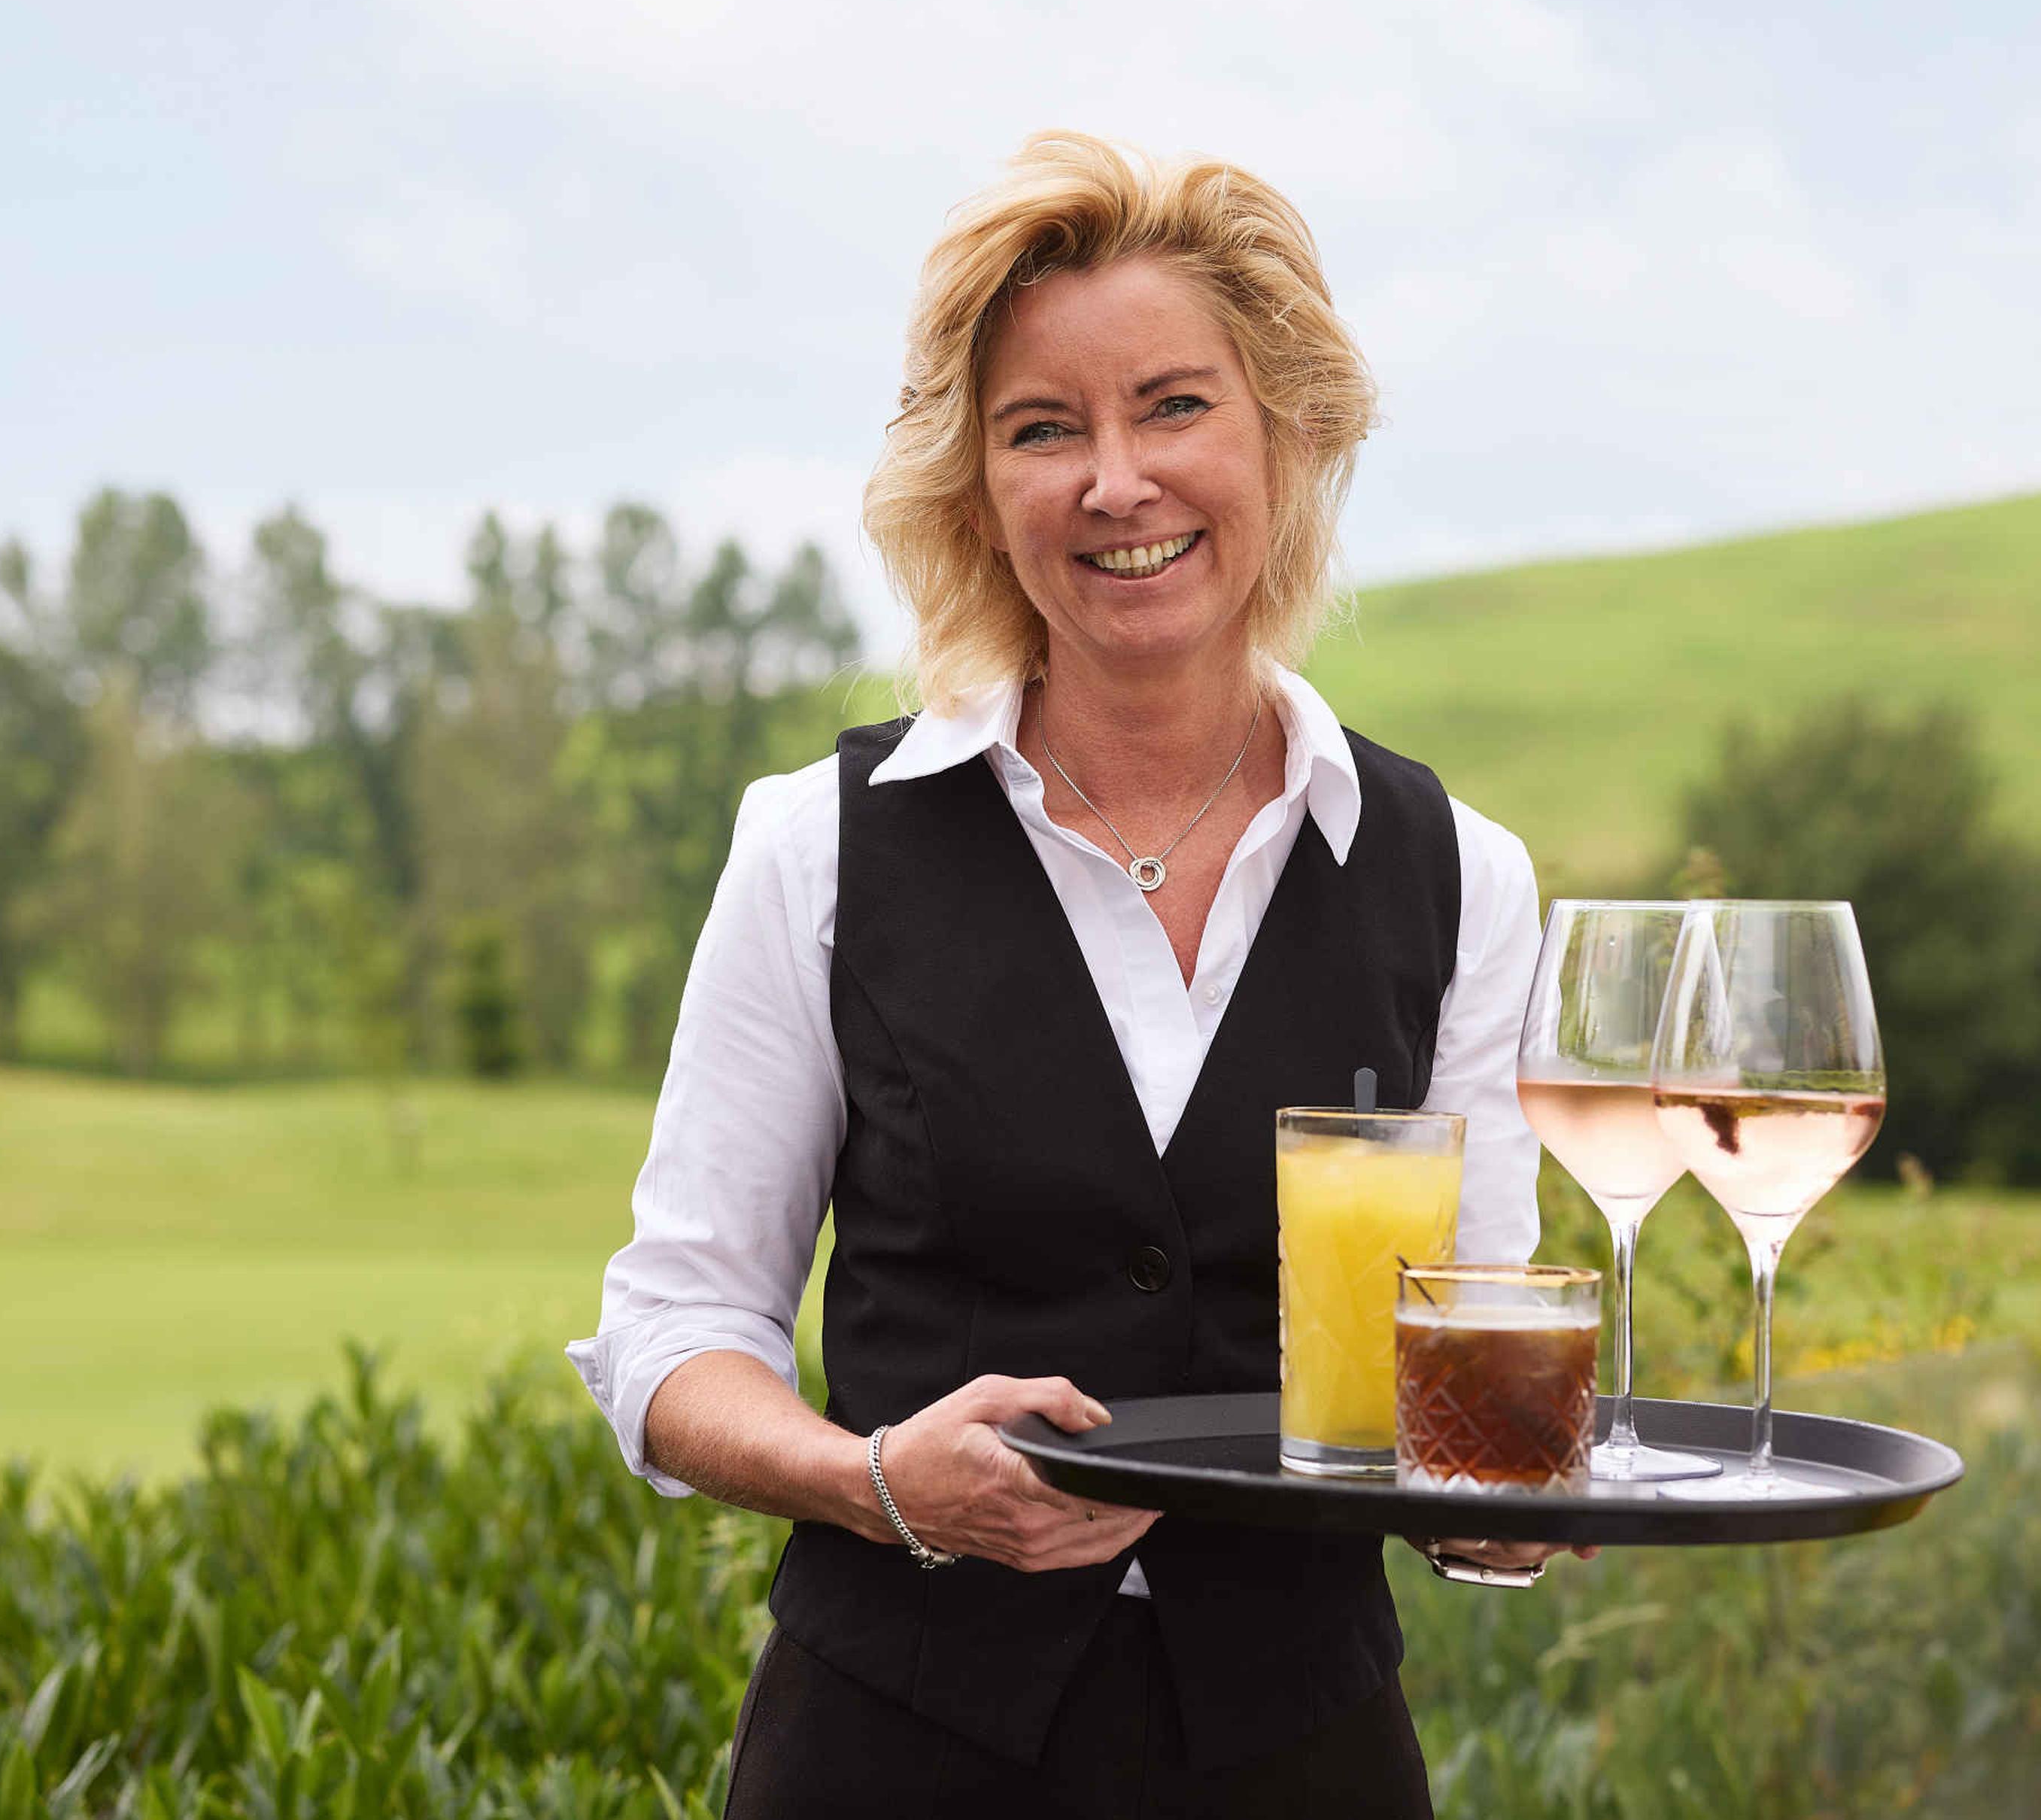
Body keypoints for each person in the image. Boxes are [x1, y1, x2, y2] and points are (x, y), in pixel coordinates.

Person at [567, 131, 1556, 1818]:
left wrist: (1507, 1501)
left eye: (1175, 406)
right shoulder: (817, 845)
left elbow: (1470, 1391)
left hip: (1304, 1761)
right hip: (889, 1753)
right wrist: (876, 1480)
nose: (1117, 481)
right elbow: (673, 1336)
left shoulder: (1458, 872)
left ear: (1287, 438)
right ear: (977, 489)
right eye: (1045, 430)